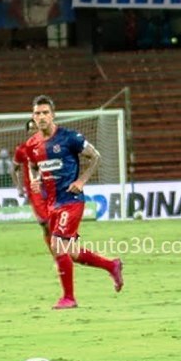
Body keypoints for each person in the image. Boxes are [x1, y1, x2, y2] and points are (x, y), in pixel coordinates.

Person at [24, 95, 123, 310]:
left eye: (45, 113)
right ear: (33, 116)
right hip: (52, 204)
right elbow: (32, 165)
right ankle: (111, 265)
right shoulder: (33, 144)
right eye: (38, 113)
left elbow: (95, 156)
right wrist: (34, 179)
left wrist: (81, 180)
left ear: (53, 115)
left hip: (71, 200)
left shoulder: (70, 138)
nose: (41, 117)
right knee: (73, 253)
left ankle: (69, 297)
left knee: (57, 245)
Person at [13, 119, 52, 247]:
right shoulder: (22, 149)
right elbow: (15, 169)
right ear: (28, 131)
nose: (34, 130)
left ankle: (63, 254)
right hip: (35, 190)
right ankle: (58, 254)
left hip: (53, 187)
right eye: (31, 128)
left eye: (36, 127)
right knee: (45, 224)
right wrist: (19, 187)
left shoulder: (51, 145)